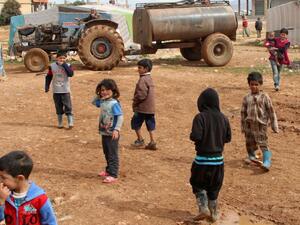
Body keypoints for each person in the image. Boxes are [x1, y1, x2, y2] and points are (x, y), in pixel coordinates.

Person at [189, 88, 231, 222]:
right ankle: (214, 212)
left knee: (197, 184)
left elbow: (196, 135)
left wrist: (193, 136)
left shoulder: (200, 117)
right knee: (214, 187)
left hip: (201, 161)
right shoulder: (223, 118)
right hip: (218, 162)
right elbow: (228, 138)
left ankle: (203, 208)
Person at [0, 151, 57, 225]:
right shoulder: (3, 195)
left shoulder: (39, 198)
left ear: (20, 178)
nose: (1, 181)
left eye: (3, 178)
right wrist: (1, 202)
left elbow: (50, 222)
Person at [241, 72, 279, 171]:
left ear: (260, 84)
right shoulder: (246, 98)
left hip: (261, 125)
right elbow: (243, 113)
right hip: (249, 125)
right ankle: (251, 156)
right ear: (249, 84)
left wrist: (274, 125)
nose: (254, 86)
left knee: (263, 143)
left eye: (256, 84)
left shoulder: (265, 97)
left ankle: (267, 161)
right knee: (249, 143)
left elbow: (271, 111)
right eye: (252, 84)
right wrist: (243, 126)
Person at [92, 79, 123, 183]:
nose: (104, 92)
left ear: (113, 90)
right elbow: (93, 102)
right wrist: (99, 95)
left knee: (112, 153)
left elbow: (120, 117)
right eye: (102, 90)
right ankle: (108, 170)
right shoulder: (103, 101)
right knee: (106, 152)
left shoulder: (114, 103)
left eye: (106, 90)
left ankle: (113, 174)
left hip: (112, 133)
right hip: (104, 132)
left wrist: (116, 130)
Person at [131, 58, 157, 150]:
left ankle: (140, 139)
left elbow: (141, 95)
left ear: (145, 69)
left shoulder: (142, 80)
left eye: (140, 68)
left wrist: (135, 101)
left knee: (135, 123)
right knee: (150, 125)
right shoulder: (150, 79)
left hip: (142, 108)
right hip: (150, 109)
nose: (138, 69)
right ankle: (152, 141)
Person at [45, 51, 74, 129]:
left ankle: (70, 122)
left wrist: (64, 65)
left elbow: (71, 74)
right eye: (60, 58)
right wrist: (47, 86)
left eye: (64, 58)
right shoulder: (52, 66)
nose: (62, 59)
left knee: (68, 106)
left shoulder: (68, 65)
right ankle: (60, 123)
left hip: (65, 90)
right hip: (56, 90)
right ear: (56, 58)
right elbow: (49, 76)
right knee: (58, 107)